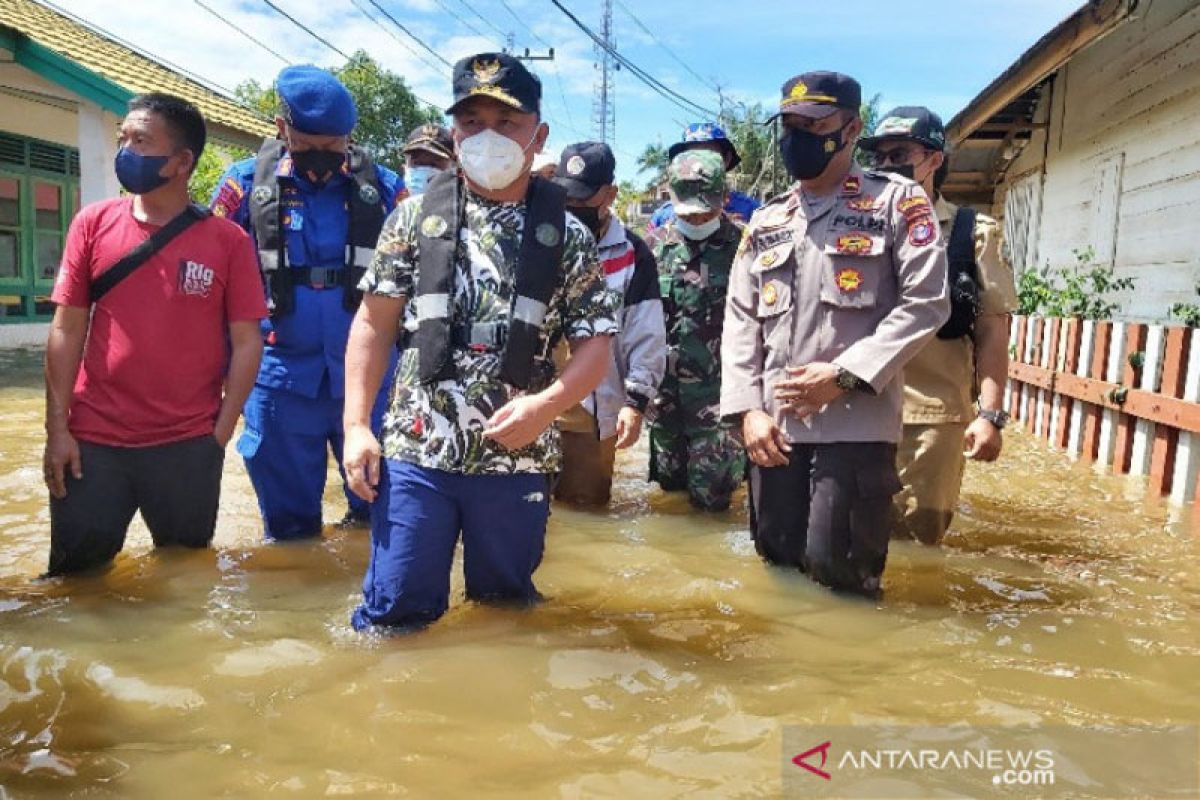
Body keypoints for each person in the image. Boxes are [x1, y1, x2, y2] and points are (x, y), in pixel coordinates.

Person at [341, 52, 619, 630]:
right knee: (395, 615)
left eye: (507, 124)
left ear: (537, 136)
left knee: (505, 616)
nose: (485, 136)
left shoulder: (566, 236)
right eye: (471, 122)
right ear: (453, 130)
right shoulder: (412, 219)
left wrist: (545, 408)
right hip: (419, 452)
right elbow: (372, 323)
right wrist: (356, 426)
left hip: (517, 459)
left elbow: (596, 348)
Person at [720, 72, 949, 596]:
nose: (797, 136)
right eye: (790, 125)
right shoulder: (767, 220)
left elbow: (927, 303)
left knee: (841, 580)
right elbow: (741, 319)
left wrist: (844, 375)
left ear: (851, 130)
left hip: (855, 431)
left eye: (814, 125)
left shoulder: (898, 203)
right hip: (773, 432)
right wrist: (747, 410)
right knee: (775, 567)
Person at [42, 93, 266, 576]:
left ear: (182, 161)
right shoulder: (92, 224)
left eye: (140, 141)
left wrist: (220, 433)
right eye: (123, 138)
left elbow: (248, 341)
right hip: (92, 443)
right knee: (76, 583)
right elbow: (66, 328)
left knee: (185, 580)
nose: (126, 150)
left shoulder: (228, 240)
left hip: (187, 444)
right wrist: (56, 430)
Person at [210, 65, 404, 541]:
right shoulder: (243, 189)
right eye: (308, 143)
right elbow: (209, 278)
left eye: (333, 145)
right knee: (289, 532)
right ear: (282, 128)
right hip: (277, 377)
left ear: (349, 137)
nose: (321, 156)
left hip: (369, 380)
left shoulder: (382, 189)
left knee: (381, 520)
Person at [858, 107, 1017, 544]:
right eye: (881, 157)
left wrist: (990, 416)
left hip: (930, 418)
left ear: (933, 159)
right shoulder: (856, 229)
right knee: (850, 537)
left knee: (917, 545)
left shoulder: (970, 233)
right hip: (855, 407)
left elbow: (991, 331)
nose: (888, 165)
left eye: (900, 153)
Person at [550, 141, 666, 506]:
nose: (572, 211)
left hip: (592, 410)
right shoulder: (537, 238)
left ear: (610, 194)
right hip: (533, 401)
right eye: (566, 201)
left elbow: (646, 333)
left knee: (585, 511)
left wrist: (635, 401)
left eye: (583, 203)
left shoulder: (633, 254)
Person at [647, 149, 746, 512]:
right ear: (670, 196)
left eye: (707, 207)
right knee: (667, 500)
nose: (698, 216)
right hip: (664, 400)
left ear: (725, 196)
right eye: (689, 208)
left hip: (718, 401)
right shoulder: (652, 247)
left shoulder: (745, 247)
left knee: (713, 503)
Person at [647, 123, 761, 228]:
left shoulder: (752, 211)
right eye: (693, 156)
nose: (700, 165)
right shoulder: (662, 217)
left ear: (726, 159)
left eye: (709, 155)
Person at [402, 123, 455, 196]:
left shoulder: (469, 205)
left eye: (433, 165)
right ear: (405, 166)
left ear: (453, 166)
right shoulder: (391, 202)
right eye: (417, 163)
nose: (424, 171)